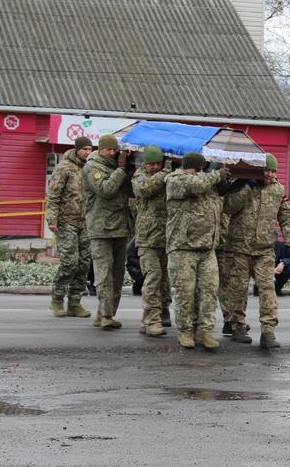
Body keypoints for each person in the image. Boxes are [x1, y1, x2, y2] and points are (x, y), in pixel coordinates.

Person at [222, 154, 290, 349]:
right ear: (258, 171)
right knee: (237, 289)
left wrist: (289, 244)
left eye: (273, 171)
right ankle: (237, 326)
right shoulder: (241, 185)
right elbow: (228, 207)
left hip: (264, 250)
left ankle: (268, 331)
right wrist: (247, 186)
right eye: (266, 171)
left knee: (267, 290)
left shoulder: (278, 190)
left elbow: (287, 218)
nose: (270, 174)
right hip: (238, 248)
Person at [165, 152, 229, 350]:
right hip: (183, 247)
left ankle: (205, 331)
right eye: (197, 169)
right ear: (187, 168)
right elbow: (195, 185)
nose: (201, 173)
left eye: (203, 169)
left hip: (207, 247)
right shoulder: (175, 180)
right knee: (185, 292)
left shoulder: (208, 183)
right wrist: (217, 174)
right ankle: (185, 331)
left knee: (209, 291)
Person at [81, 134, 133, 330]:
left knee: (118, 273)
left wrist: (127, 169)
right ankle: (106, 315)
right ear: (100, 149)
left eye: (114, 149)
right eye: (108, 150)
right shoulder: (92, 166)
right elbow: (106, 189)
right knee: (104, 273)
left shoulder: (115, 167)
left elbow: (130, 191)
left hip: (120, 226)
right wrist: (120, 170)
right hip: (101, 228)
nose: (112, 153)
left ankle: (105, 313)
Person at [45, 136, 93, 319]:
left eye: (90, 149)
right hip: (67, 222)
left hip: (85, 222)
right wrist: (52, 219)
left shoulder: (89, 168)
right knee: (69, 261)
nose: (88, 153)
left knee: (83, 263)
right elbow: (53, 195)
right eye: (85, 149)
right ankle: (57, 299)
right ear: (77, 149)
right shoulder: (64, 168)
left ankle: (75, 302)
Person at [132, 145, 173, 337]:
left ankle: (161, 311)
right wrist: (164, 172)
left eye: (158, 163)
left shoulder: (168, 176)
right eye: (152, 164)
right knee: (153, 277)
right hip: (147, 239)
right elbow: (145, 189)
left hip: (166, 237)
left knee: (165, 280)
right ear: (145, 164)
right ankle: (151, 320)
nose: (155, 167)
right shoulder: (139, 176)